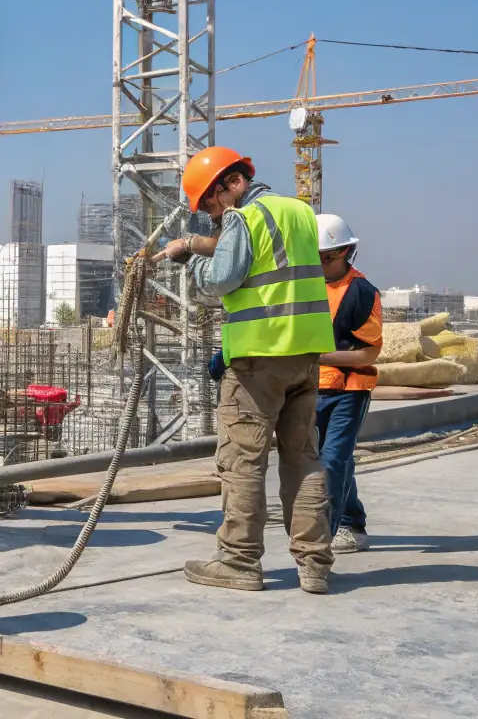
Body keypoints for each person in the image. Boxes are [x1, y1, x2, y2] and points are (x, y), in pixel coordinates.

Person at [154, 147, 336, 594]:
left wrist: (193, 259)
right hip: (304, 355)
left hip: (258, 358)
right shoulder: (299, 211)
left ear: (232, 184)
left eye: (211, 203)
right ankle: (314, 563)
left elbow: (222, 279)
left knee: (243, 462)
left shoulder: (243, 216)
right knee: (303, 459)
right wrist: (197, 243)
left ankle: (238, 561)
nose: (213, 214)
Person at [313, 214, 382, 555]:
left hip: (349, 391)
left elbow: (369, 352)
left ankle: (319, 541)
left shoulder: (361, 292)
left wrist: (319, 357)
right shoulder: (306, 287)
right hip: (312, 389)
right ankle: (353, 522)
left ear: (344, 252)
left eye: (326, 258)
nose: (320, 265)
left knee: (332, 462)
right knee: (334, 460)